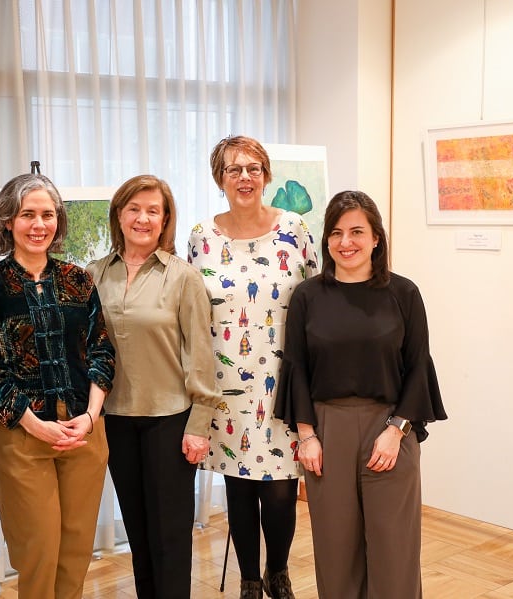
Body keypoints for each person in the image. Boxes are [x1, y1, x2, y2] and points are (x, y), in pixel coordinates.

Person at [275, 190, 448, 599]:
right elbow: (296, 368)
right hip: (326, 431)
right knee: (335, 551)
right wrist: (307, 436)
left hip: (389, 429)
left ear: (376, 238)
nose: (345, 242)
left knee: (394, 551)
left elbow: (417, 366)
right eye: (336, 232)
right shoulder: (307, 296)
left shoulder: (404, 294)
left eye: (356, 231)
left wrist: (397, 429)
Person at [0, 173, 116, 599]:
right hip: (23, 435)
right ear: (7, 221)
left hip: (84, 432)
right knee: (38, 551)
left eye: (48, 215)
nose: (39, 224)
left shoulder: (78, 280)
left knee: (75, 551)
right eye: (27, 214)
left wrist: (90, 417)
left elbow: (101, 351)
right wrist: (35, 424)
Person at [188, 135, 319, 599]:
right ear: (219, 178)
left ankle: (277, 572)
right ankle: (248, 579)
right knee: (239, 487)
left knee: (281, 489)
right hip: (224, 382)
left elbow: (317, 298)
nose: (244, 177)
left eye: (253, 168)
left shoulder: (294, 228)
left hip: (285, 381)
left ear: (265, 175)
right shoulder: (201, 236)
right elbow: (191, 310)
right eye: (234, 169)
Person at [87, 175, 220, 598]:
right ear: (119, 215)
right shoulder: (94, 275)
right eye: (134, 209)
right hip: (115, 420)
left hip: (170, 420)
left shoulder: (183, 278)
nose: (142, 219)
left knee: (170, 536)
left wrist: (200, 423)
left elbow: (200, 353)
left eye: (153, 211)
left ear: (165, 220)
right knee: (138, 533)